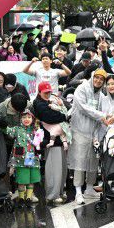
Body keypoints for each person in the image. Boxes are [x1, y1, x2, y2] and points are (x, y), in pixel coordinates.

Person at [69, 69, 107, 205]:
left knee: (93, 160)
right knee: (80, 161)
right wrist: (101, 115)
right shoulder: (82, 89)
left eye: (101, 79)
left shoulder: (101, 95)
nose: (98, 81)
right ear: (92, 77)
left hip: (93, 133)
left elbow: (102, 114)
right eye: (96, 77)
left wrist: (97, 134)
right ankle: (78, 191)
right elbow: (82, 108)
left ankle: (90, 188)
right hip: (79, 130)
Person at [31, 82, 68, 205]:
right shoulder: (39, 103)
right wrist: (64, 116)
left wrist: (62, 114)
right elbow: (50, 117)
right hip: (50, 141)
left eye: (49, 92)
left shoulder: (49, 101)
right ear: (39, 92)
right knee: (54, 169)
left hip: (59, 139)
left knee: (61, 168)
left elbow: (62, 112)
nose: (47, 94)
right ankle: (52, 195)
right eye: (45, 92)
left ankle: (59, 192)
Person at [5, 109, 43, 206]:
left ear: (32, 119)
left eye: (29, 117)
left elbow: (40, 141)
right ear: (20, 119)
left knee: (31, 179)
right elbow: (7, 130)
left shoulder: (35, 130)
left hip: (32, 157)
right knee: (22, 179)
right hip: (20, 159)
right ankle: (21, 198)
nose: (27, 119)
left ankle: (29, 197)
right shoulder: (17, 129)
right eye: (24, 117)